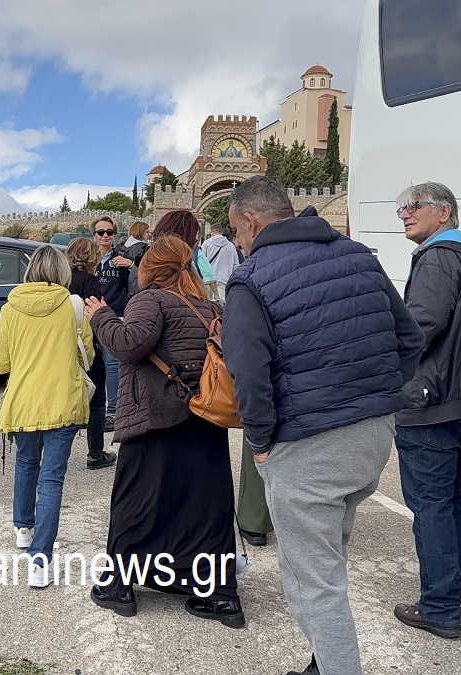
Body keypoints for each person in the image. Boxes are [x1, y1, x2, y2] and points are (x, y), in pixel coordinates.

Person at [222, 176, 424, 675]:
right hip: (373, 438)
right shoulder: (359, 255)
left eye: (235, 232)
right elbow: (409, 340)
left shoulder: (252, 278)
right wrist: (377, 399)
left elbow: (248, 373)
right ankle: (323, 662)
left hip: (308, 445)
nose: (238, 243)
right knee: (327, 559)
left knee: (313, 582)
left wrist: (260, 442)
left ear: (249, 221)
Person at [85, 236, 244, 627]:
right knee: (205, 504)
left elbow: (129, 344)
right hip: (205, 414)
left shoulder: (150, 299)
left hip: (156, 415)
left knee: (137, 498)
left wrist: (101, 316)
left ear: (151, 269)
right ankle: (219, 594)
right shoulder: (211, 307)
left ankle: (119, 585)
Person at [389, 182, 461, 640]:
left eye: (415, 206)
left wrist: (386, 365)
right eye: (401, 208)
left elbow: (420, 327)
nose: (404, 214)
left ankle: (439, 606)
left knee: (430, 505)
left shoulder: (436, 258)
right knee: (455, 498)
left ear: (444, 212)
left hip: (430, 400)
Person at [153, 209, 272, 547]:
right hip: (214, 368)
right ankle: (249, 524)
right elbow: (212, 294)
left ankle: (251, 523)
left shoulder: (158, 268)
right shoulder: (204, 260)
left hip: (176, 383)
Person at [0, 246, 92, 587]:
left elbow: (0, 363)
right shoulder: (74, 306)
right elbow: (87, 356)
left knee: (26, 462)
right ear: (63, 271)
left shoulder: (10, 309)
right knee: (52, 478)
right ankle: (40, 561)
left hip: (23, 402)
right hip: (62, 400)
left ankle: (23, 527)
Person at [66, 237, 115, 470]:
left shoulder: (61, 280)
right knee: (97, 401)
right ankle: (95, 453)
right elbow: (93, 314)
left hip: (63, 347)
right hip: (87, 348)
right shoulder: (90, 281)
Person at [91, 216, 132, 432]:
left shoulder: (122, 259)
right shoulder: (89, 260)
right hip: (90, 317)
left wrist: (132, 264)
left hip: (116, 316)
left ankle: (113, 411)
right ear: (94, 236)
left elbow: (141, 278)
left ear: (115, 235)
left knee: (112, 364)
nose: (105, 236)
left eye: (109, 232)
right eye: (101, 232)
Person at [200, 223, 239, 303]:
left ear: (213, 231)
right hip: (224, 279)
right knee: (220, 307)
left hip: (208, 280)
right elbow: (236, 265)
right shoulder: (231, 246)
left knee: (207, 305)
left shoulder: (207, 243)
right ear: (221, 232)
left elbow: (202, 262)